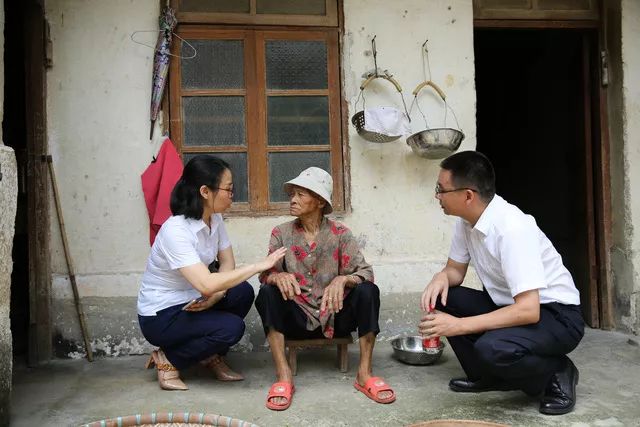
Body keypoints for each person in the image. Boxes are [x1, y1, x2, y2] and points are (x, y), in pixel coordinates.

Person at [419, 151, 584, 415]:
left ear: (468, 195)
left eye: (441, 189)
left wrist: (458, 325)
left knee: (493, 348)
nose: (437, 196)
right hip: (509, 306)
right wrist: (441, 277)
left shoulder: (512, 228)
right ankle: (489, 376)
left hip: (556, 315)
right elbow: (455, 271)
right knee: (445, 296)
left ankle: (557, 372)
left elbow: (528, 310)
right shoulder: (466, 222)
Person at [137, 155, 286, 391]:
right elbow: (206, 283)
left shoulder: (214, 219)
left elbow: (227, 263)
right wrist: (259, 265)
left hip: (193, 299)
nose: (232, 194)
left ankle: (208, 354)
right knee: (232, 329)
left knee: (242, 292)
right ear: (205, 191)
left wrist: (217, 295)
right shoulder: (175, 231)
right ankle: (170, 359)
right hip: (162, 315)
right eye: (228, 189)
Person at [255, 167, 396, 411]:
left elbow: (366, 272)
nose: (293, 199)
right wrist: (278, 276)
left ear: (319, 201)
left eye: (300, 194)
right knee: (267, 292)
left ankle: (364, 374)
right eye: (292, 194)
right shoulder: (281, 233)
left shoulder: (341, 234)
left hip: (335, 316)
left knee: (368, 290)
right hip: (297, 318)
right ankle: (283, 376)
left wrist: (344, 279)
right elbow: (265, 273)